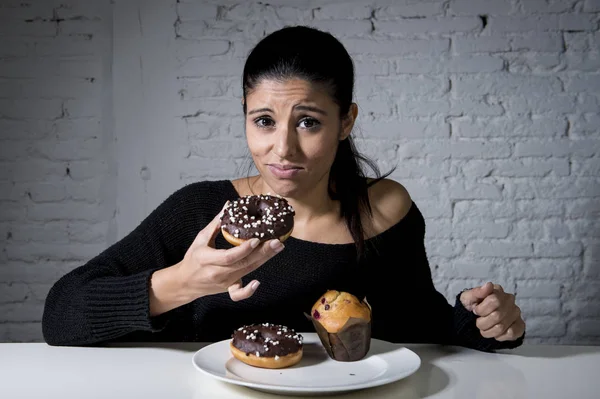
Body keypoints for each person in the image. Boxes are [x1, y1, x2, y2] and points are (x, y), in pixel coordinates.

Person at [42, 26, 525, 351]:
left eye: (309, 122)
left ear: (345, 121)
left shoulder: (384, 208)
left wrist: (484, 322)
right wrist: (185, 282)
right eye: (264, 121)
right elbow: (61, 314)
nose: (282, 149)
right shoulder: (205, 210)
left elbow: (418, 324)